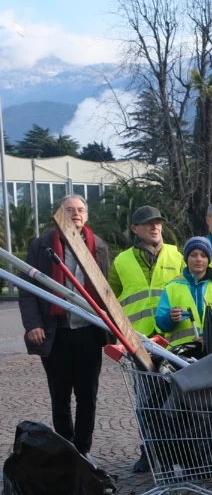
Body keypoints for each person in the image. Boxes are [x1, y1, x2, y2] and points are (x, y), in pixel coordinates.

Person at [18, 195, 109, 458]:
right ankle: (66, 447)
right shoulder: (41, 245)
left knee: (87, 396)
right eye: (70, 210)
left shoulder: (99, 246)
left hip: (89, 333)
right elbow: (27, 289)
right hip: (55, 332)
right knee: (60, 395)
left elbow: (104, 292)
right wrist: (33, 324)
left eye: (81, 210)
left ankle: (83, 450)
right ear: (59, 214)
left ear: (87, 215)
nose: (76, 214)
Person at [108, 205, 184, 336]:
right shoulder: (121, 261)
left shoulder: (177, 257)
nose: (155, 227)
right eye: (148, 223)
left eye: (158, 223)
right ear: (134, 229)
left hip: (171, 332)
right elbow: (109, 300)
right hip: (137, 336)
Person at [155, 236, 212, 346]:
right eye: (193, 255)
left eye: (203, 255)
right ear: (186, 259)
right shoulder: (171, 287)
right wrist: (170, 318)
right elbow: (160, 324)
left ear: (208, 260)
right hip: (179, 355)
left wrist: (211, 337)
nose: (198, 259)